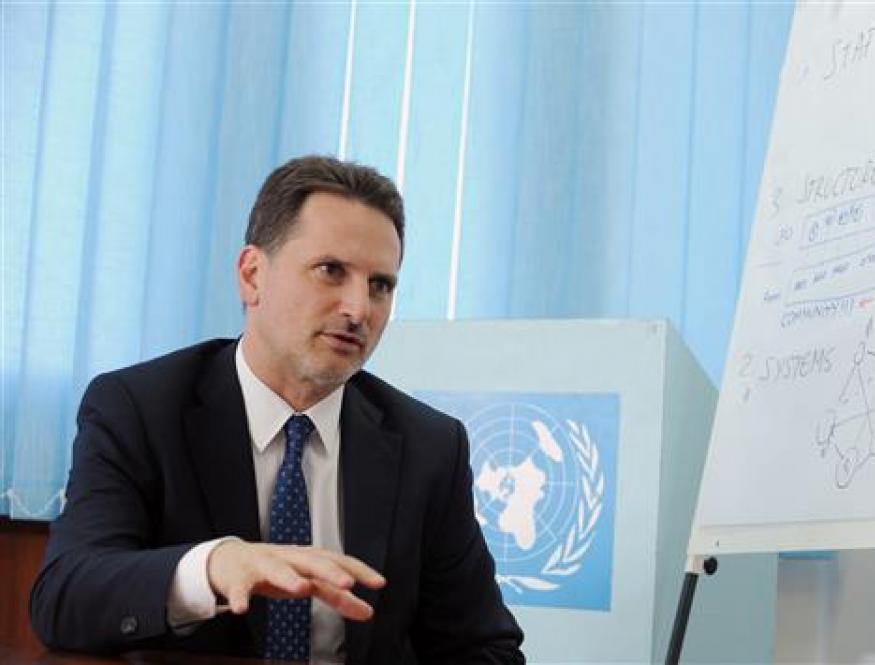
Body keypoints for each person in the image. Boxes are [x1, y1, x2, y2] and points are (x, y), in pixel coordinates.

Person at [30, 155, 525, 664]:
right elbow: (65, 597)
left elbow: (485, 647)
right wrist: (212, 567)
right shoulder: (141, 408)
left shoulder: (430, 446)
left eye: (380, 285)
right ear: (252, 276)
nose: (359, 309)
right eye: (331, 271)